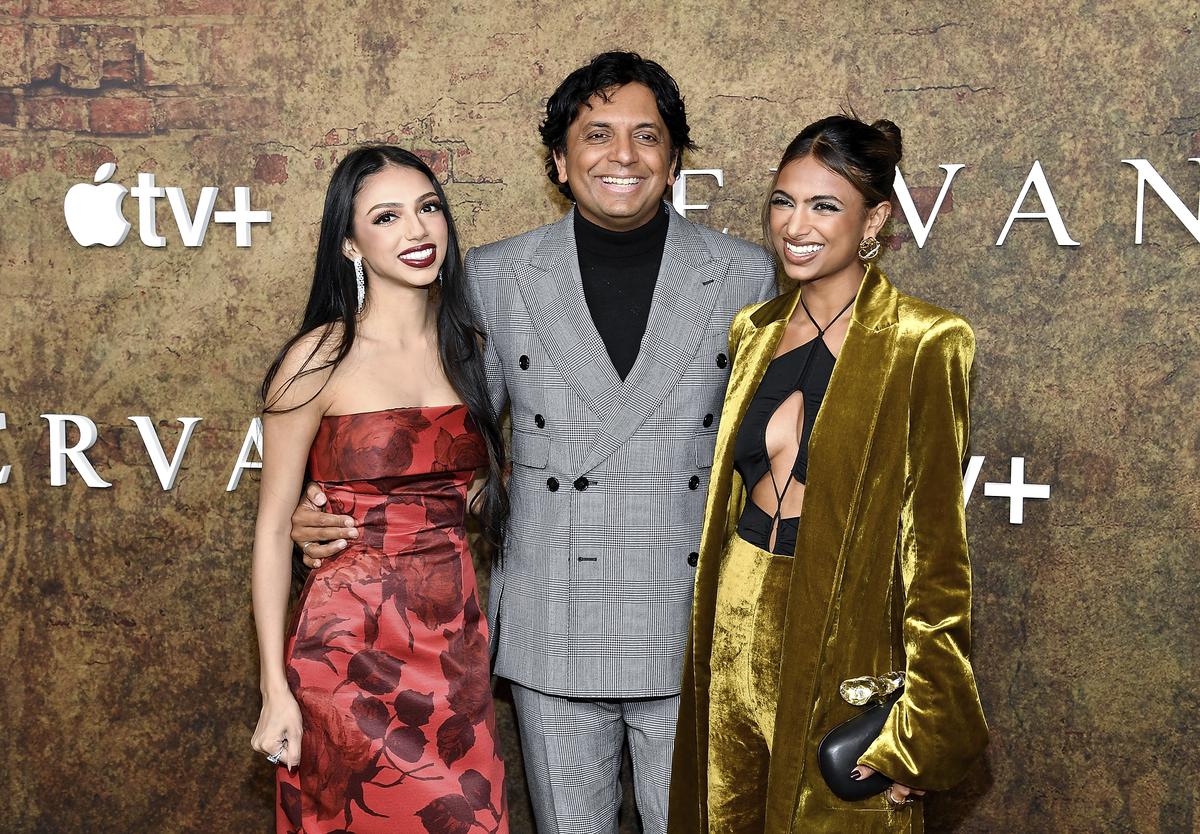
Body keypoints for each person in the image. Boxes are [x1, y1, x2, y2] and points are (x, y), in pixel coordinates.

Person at [290, 52, 777, 834]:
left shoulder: (744, 275)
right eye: (597, 135)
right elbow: (447, 437)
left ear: (675, 157)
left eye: (646, 135)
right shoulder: (496, 276)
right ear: (558, 159)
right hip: (555, 618)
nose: (623, 155)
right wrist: (330, 508)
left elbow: (770, 456)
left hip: (693, 620)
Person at [668, 115, 989, 833]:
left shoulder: (925, 342)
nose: (795, 225)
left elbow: (937, 551)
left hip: (841, 635)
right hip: (734, 616)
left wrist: (920, 731)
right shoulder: (753, 330)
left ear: (874, 218)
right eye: (783, 201)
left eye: (824, 205)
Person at [250, 145, 509, 834]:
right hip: (348, 651)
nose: (416, 230)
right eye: (386, 216)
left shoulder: (474, 353)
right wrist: (275, 691)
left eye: (428, 209)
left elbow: (477, 497)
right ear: (349, 243)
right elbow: (275, 530)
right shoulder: (318, 358)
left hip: (453, 650)